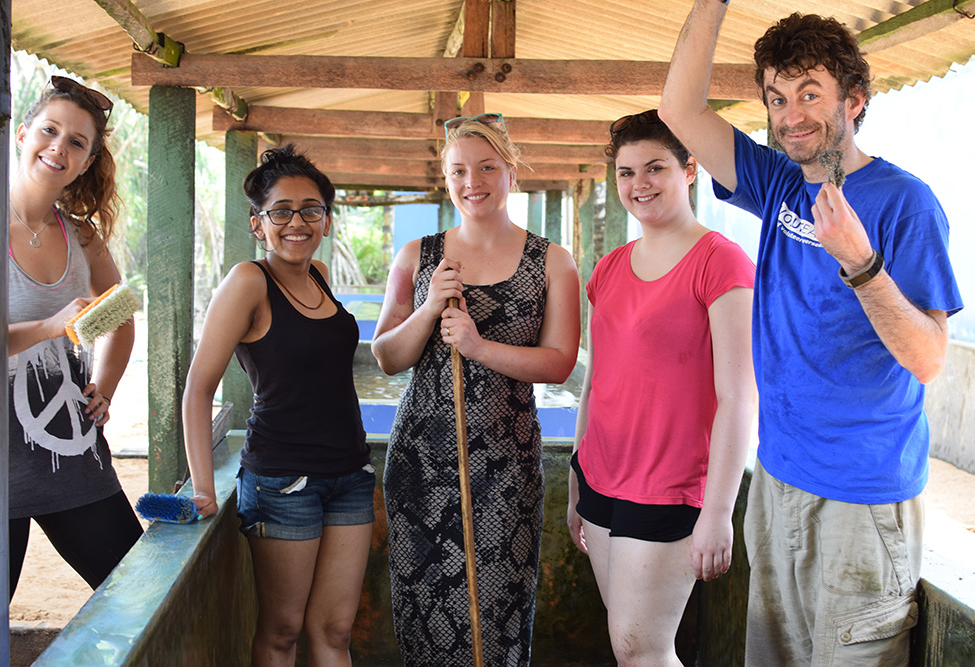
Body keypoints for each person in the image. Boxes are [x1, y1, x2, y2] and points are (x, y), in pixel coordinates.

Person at [661, 7, 964, 665]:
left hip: (866, 498)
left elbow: (929, 358)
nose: (790, 114)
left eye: (809, 94)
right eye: (776, 97)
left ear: (853, 101)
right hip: (777, 481)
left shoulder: (904, 202)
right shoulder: (777, 184)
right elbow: (680, 109)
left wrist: (863, 264)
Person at [372, 113, 581, 666]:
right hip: (421, 464)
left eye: (488, 167)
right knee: (424, 615)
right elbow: (388, 357)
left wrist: (479, 346)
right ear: (446, 178)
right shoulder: (418, 256)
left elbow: (560, 363)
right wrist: (429, 308)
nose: (473, 182)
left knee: (498, 612)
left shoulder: (553, 261)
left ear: (510, 171)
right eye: (459, 170)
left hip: (506, 467)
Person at [567, 110, 756, 666]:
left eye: (654, 168)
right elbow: (594, 385)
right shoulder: (608, 268)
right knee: (627, 647)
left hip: (671, 487)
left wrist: (717, 510)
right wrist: (578, 476)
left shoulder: (720, 261)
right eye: (626, 173)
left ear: (690, 169)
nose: (638, 185)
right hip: (602, 479)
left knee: (642, 648)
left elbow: (739, 395)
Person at [182, 145, 374, 666]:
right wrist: (203, 484)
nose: (297, 222)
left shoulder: (320, 276)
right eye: (281, 211)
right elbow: (199, 387)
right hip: (282, 481)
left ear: (327, 221)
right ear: (258, 223)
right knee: (283, 631)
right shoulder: (249, 282)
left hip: (350, 476)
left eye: (311, 209)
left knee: (334, 630)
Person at [7, 75, 142, 599]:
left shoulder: (80, 235)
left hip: (73, 455)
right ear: (22, 134)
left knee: (136, 598)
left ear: (86, 162)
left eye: (77, 142)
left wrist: (103, 387)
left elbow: (121, 318)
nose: (58, 147)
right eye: (49, 130)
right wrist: (51, 324)